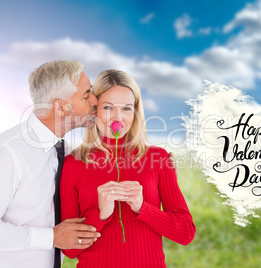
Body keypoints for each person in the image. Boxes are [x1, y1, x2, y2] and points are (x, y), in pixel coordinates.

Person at [0, 60, 101, 268]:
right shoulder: (8, 152)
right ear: (61, 106)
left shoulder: (62, 147)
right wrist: (51, 237)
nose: (95, 101)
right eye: (86, 95)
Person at [60, 69, 196, 267]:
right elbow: (70, 250)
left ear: (135, 111)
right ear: (94, 109)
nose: (118, 118)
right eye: (108, 108)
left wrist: (143, 208)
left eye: (126, 108)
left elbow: (186, 233)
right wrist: (101, 214)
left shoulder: (158, 158)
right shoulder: (74, 164)